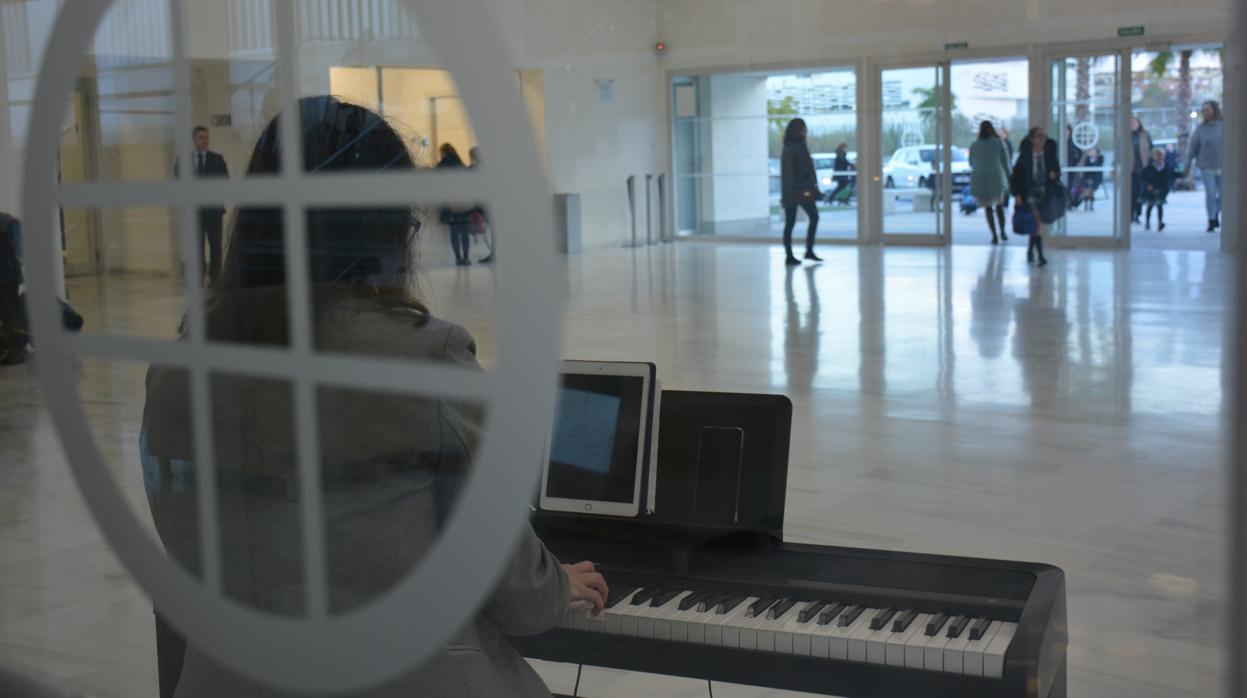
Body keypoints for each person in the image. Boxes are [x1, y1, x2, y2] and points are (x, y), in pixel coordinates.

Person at [141, 96, 607, 698]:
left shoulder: (174, 368)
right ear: (386, 227)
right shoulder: (422, 361)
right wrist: (556, 586)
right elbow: (517, 594)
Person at [174, 126, 229, 281]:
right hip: (194, 211)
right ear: (194, 139)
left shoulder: (217, 159)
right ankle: (198, 278)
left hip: (213, 210)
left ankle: (215, 279)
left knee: (215, 245)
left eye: (207, 138)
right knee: (196, 246)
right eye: (201, 138)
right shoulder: (183, 161)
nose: (205, 141)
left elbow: (225, 181)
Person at [1011, 127, 1059, 268]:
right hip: (1029, 193)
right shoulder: (1024, 157)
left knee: (1035, 225)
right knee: (1037, 224)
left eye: (1044, 136)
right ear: (1031, 139)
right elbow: (1015, 177)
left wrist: (1054, 175)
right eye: (1038, 136)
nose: (1042, 139)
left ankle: (1030, 251)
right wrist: (1017, 194)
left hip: (1045, 193)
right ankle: (1041, 256)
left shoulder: (1049, 155)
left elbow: (1057, 171)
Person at [779, 118, 821, 265]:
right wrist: (788, 196)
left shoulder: (798, 146)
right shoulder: (792, 148)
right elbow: (789, 174)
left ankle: (807, 251)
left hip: (802, 190)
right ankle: (790, 255)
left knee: (812, 218)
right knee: (792, 224)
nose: (806, 131)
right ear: (798, 130)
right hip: (796, 191)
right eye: (804, 128)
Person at [969, 121, 1011, 245]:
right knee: (999, 206)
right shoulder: (999, 143)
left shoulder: (975, 145)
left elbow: (971, 163)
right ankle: (1002, 231)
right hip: (997, 179)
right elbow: (1005, 162)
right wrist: (1009, 178)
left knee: (988, 208)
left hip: (980, 179)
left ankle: (994, 235)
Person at [1186, 99, 1223, 233]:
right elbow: (1193, 148)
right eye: (1204, 110)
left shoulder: (1224, 126)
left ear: (1214, 110)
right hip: (1206, 167)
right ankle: (1211, 219)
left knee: (1223, 196)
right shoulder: (1200, 129)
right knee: (1211, 194)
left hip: (1223, 167)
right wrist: (1187, 164)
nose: (1206, 112)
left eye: (1208, 109)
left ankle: (1215, 212)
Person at [436, 143, 475, 265]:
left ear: (443, 152)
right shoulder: (460, 164)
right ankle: (466, 257)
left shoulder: (442, 165)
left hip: (450, 203)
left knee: (454, 231)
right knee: (464, 232)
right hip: (464, 203)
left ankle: (458, 258)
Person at [0, 211, 26, 365]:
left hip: (6, 277)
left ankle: (17, 351)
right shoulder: (10, 221)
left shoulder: (7, 223)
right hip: (9, 275)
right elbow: (20, 252)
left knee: (9, 316)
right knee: (10, 315)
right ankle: (12, 348)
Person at [1141, 146, 1176, 231]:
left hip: (1161, 190)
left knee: (1159, 206)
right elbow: (1143, 177)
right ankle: (1147, 222)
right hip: (1151, 189)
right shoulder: (1149, 167)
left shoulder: (1166, 167)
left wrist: (1184, 173)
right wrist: (1147, 185)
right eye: (1157, 155)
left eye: (1161, 155)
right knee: (1150, 206)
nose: (1159, 157)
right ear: (1154, 156)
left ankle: (1160, 222)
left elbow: (1173, 174)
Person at [1129, 116, 1153, 224]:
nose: (1133, 124)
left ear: (1139, 123)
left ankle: (1137, 214)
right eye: (1130, 123)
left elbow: (1151, 148)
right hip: (1130, 168)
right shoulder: (1125, 135)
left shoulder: (1145, 135)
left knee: (1140, 192)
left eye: (1134, 122)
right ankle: (1129, 214)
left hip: (1143, 168)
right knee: (1131, 192)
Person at [1065, 125, 1084, 210]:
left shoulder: (1074, 142)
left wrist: (1076, 163)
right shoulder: (1060, 142)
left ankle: (1069, 203)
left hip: (1071, 167)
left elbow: (1079, 153)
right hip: (1063, 167)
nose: (1066, 132)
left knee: (1069, 185)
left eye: (1067, 130)